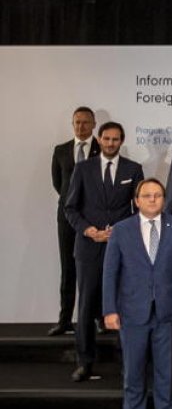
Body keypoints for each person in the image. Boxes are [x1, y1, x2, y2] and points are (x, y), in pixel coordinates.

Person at [101, 178, 172, 409]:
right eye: (147, 195)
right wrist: (109, 309)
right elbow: (109, 272)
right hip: (131, 313)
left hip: (167, 312)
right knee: (133, 375)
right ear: (137, 201)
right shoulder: (121, 230)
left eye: (157, 195)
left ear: (164, 199)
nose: (152, 199)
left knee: (166, 375)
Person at [63, 120, 144, 382]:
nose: (111, 143)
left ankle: (127, 364)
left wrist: (120, 232)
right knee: (86, 307)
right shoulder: (83, 169)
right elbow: (70, 208)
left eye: (116, 139)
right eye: (106, 139)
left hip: (123, 249)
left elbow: (142, 210)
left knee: (125, 306)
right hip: (89, 248)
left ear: (122, 141)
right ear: (99, 140)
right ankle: (85, 362)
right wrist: (89, 231)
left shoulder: (134, 169)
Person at [49, 106, 99, 337]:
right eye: (77, 122)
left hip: (94, 218)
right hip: (67, 217)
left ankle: (97, 318)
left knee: (95, 270)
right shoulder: (60, 150)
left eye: (85, 122)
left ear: (94, 124)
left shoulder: (103, 148)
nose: (81, 127)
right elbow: (59, 184)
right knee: (67, 268)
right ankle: (64, 319)